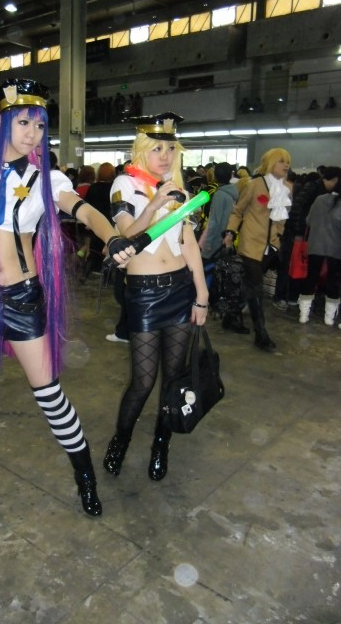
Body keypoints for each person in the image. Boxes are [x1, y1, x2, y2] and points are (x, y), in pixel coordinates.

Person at [0, 78, 134, 522]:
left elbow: (84, 210)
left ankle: (86, 478)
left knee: (50, 395)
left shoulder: (47, 179)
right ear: (1, 122)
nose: (33, 133)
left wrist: (112, 237)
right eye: (23, 122)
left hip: (22, 297)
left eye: (39, 124)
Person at [102, 112, 209, 482]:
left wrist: (202, 293)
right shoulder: (124, 184)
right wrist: (153, 204)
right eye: (157, 149)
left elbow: (188, 243)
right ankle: (121, 440)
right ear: (141, 150)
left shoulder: (178, 189)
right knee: (143, 381)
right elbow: (126, 235)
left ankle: (162, 445)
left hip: (180, 289)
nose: (165, 156)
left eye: (170, 149)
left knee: (173, 380)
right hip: (144, 294)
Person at [223, 148, 292, 351]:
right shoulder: (254, 185)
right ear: (270, 163)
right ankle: (261, 334)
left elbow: (282, 218)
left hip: (271, 247)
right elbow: (237, 211)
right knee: (256, 289)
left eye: (287, 161)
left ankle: (230, 317)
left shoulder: (286, 188)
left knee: (248, 286)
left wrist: (279, 237)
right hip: (251, 244)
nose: (286, 165)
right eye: (281, 161)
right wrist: (230, 232)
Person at [273, 166, 339, 310]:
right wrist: (298, 232)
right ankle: (280, 297)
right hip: (296, 233)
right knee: (288, 266)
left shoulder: (323, 192)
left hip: (306, 235)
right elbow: (297, 208)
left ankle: (293, 297)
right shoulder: (313, 188)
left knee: (299, 267)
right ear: (334, 180)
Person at [200, 162, 249, 334]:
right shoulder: (235, 192)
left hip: (217, 241)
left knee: (208, 274)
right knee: (226, 277)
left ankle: (208, 304)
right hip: (230, 239)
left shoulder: (220, 194)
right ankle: (228, 310)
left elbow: (214, 222)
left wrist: (205, 243)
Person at [296, 168, 341, 325]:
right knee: (333, 281)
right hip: (336, 249)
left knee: (310, 278)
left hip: (315, 246)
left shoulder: (319, 200)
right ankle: (329, 318)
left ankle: (303, 315)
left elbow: (308, 220)